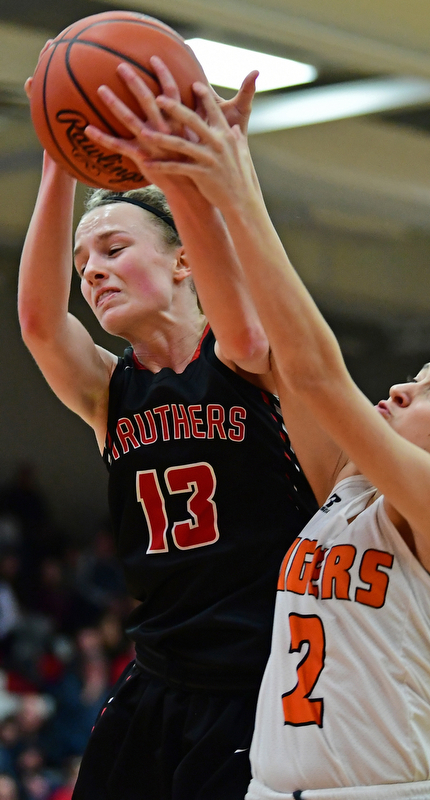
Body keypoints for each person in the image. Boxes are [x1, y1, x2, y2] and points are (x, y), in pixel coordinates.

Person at [106, 85, 430, 800]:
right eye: (418, 376)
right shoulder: (345, 485)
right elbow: (267, 349)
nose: (403, 390)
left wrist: (236, 181)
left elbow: (319, 373)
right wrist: (188, 182)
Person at [18, 57, 317, 799]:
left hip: (254, 677)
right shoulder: (108, 391)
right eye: (85, 264)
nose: (93, 272)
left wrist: (183, 175)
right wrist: (59, 167)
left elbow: (241, 315)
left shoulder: (246, 357)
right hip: (154, 674)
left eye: (114, 250)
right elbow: (38, 322)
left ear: (184, 261)